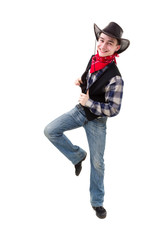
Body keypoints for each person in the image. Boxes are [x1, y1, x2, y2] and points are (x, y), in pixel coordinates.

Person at [44, 22, 130, 219]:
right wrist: (81, 80)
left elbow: (114, 109)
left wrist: (89, 102)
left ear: (117, 48)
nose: (103, 45)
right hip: (79, 111)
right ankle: (77, 155)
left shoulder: (116, 78)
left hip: (97, 121)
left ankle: (97, 202)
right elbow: (90, 78)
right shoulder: (94, 59)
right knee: (50, 130)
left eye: (110, 43)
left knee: (98, 162)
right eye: (101, 40)